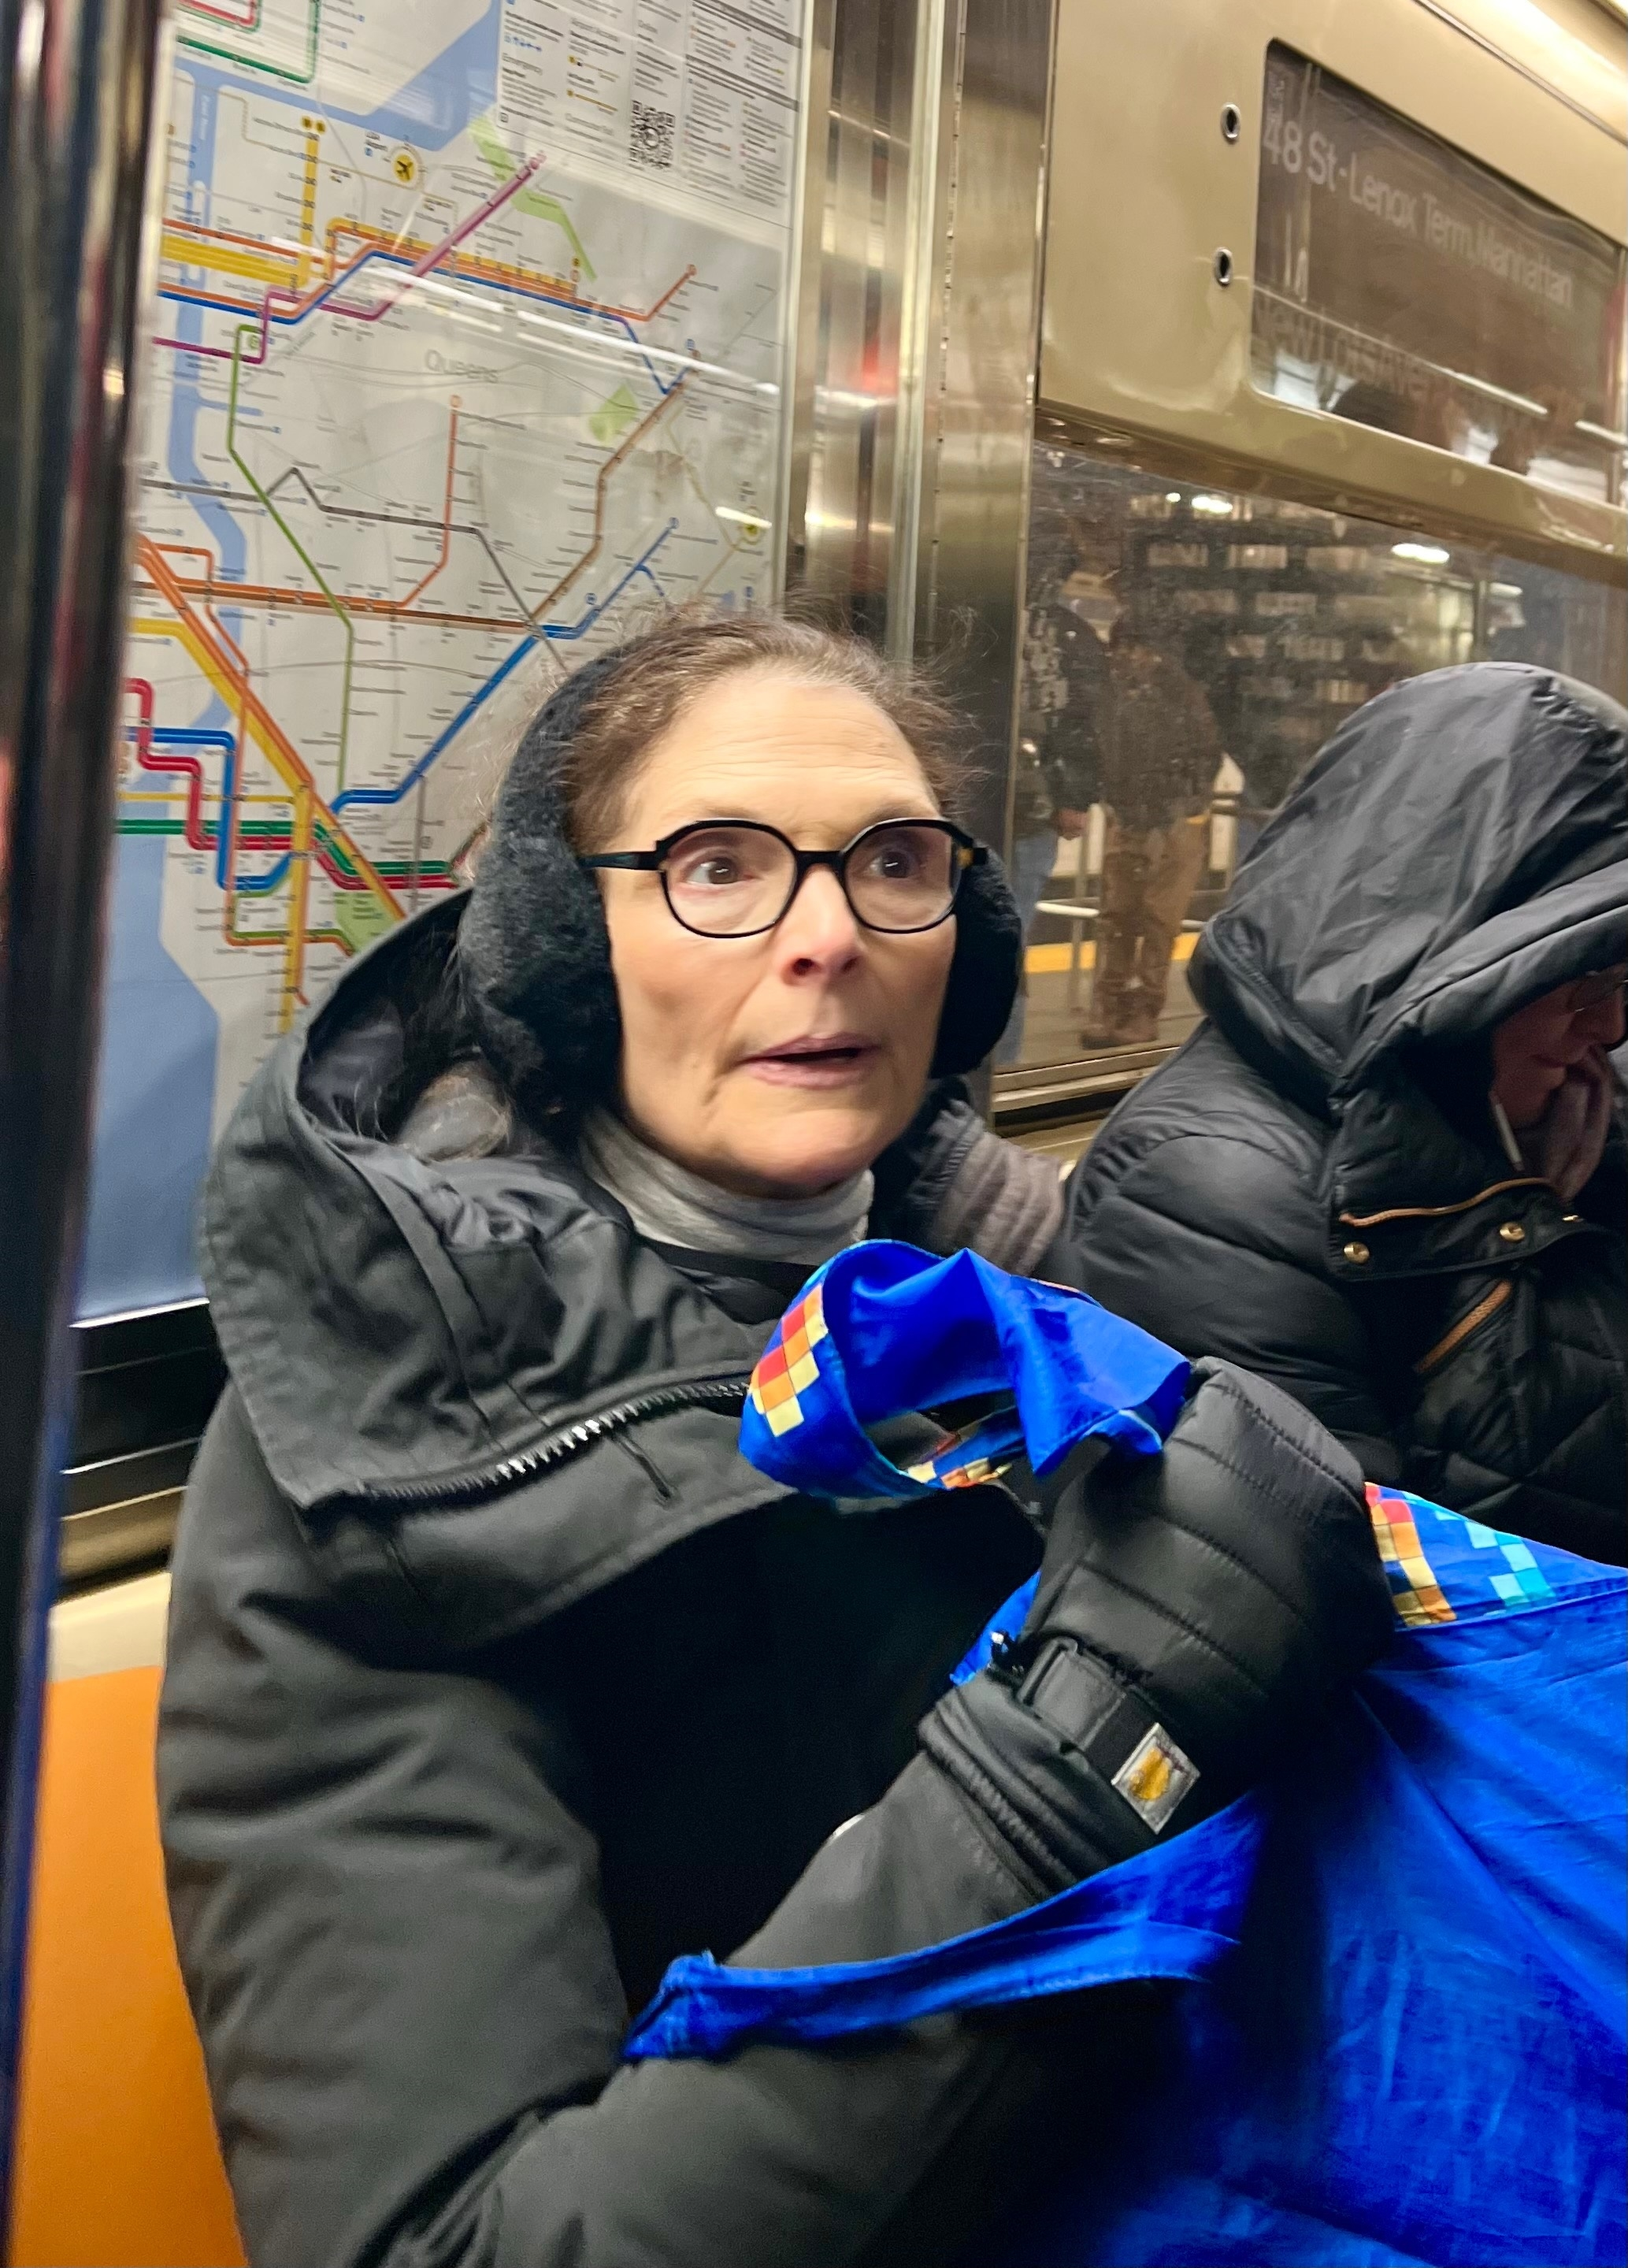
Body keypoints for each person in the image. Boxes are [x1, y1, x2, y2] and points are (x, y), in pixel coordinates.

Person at [158, 611, 1389, 2268]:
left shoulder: (1046, 1317)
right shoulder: (390, 1440)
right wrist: (1080, 1766)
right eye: (718, 865)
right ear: (568, 944)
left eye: (892, 860)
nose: (824, 935)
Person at [1065, 661, 1626, 1562]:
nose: (1608, 1025)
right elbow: (1350, 1589)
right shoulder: (1206, 1191)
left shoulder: (1563, 1110)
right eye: (1579, 978)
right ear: (1454, 954)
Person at [1076, 585, 1223, 1049]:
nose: (1131, 657)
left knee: (1158, 921)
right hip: (1135, 817)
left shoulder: (1180, 695)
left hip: (1174, 821)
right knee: (1118, 916)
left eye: (1138, 648)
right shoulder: (1116, 695)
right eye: (1125, 647)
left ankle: (1143, 1011)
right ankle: (1110, 1006)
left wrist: (1180, 805)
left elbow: (1205, 755)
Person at [996, 581, 1105, 1065]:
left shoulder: (1054, 632)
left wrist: (1075, 794)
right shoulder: (1064, 633)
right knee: (1004, 941)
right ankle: (996, 1064)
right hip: (1027, 812)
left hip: (1019, 812)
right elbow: (1085, 717)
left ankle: (994, 1066)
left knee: (999, 943)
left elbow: (1083, 719)